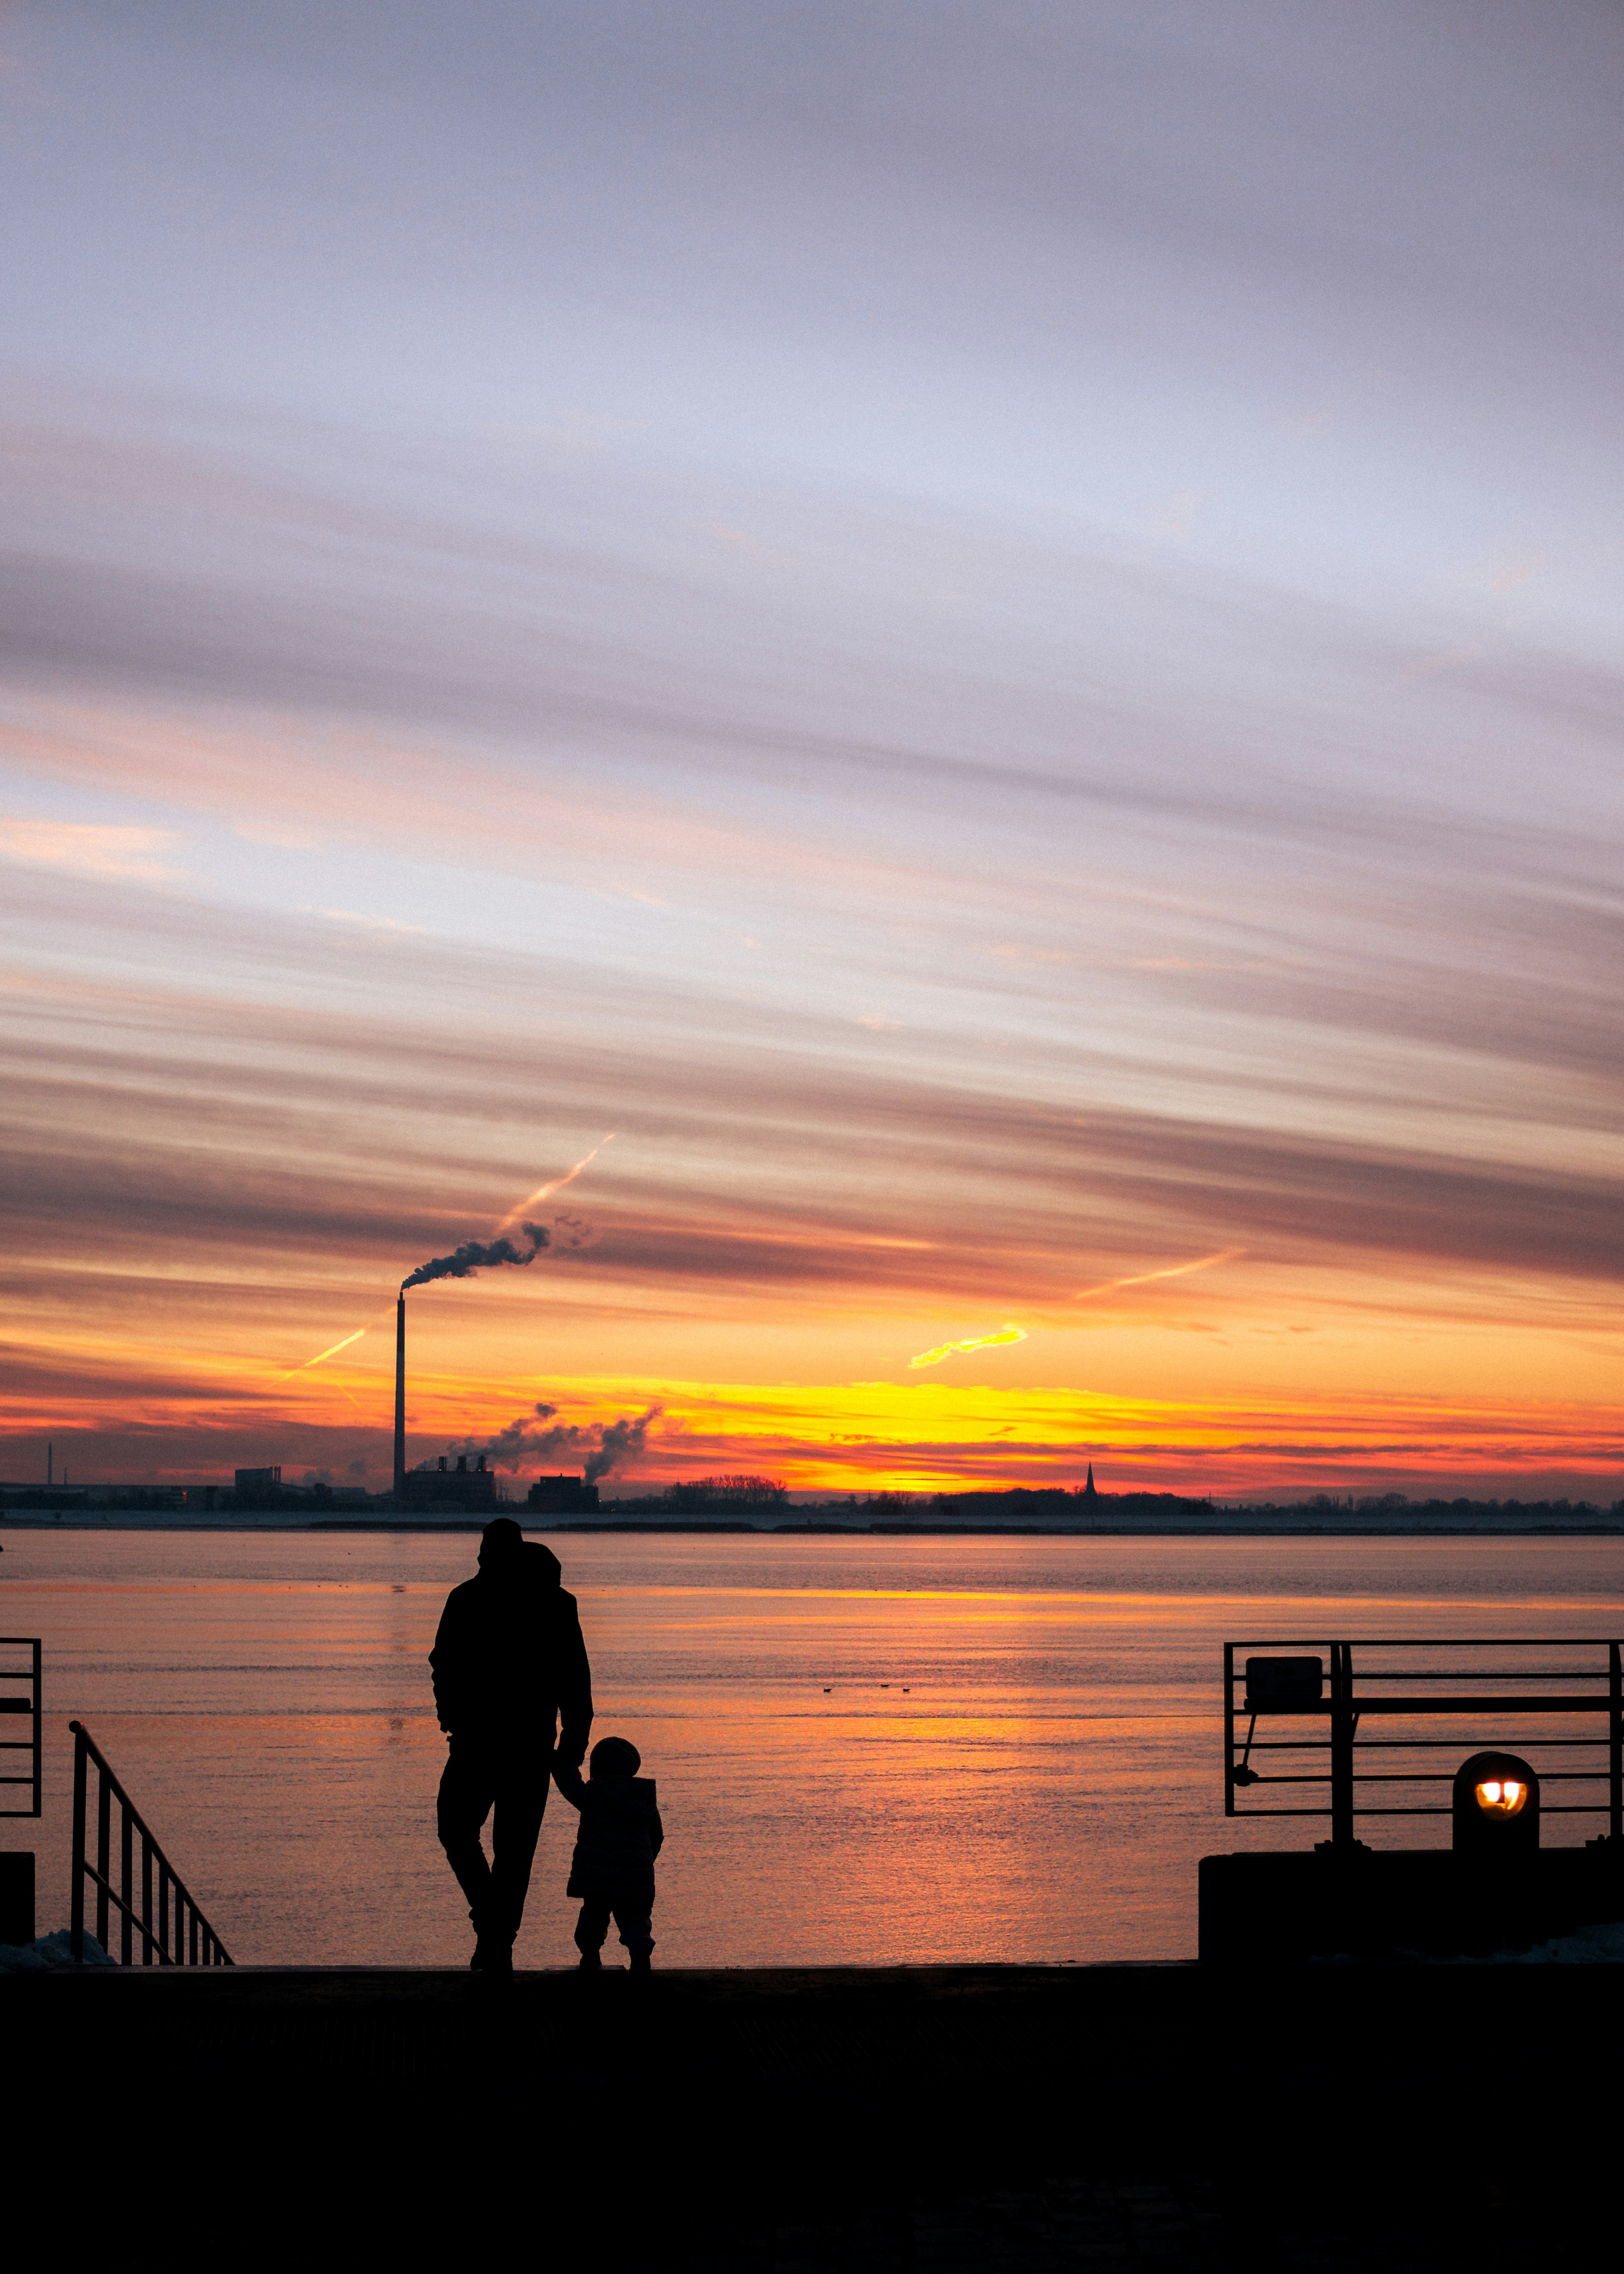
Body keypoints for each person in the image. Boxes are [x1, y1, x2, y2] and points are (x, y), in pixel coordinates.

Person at [429, 1517, 592, 1974]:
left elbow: (573, 1680)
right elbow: (575, 1683)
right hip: (512, 1742)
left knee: (469, 1835)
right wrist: (571, 1747)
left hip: (491, 1741)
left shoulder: (478, 1599)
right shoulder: (545, 1603)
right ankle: (496, 1930)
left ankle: (495, 1936)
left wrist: (572, 1745)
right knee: (503, 1847)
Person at [552, 1735, 663, 1973]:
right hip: (635, 1879)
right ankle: (641, 1958)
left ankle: (590, 1956)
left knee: (593, 1918)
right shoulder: (644, 1798)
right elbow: (657, 1836)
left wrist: (562, 1763)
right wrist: (642, 1863)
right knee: (636, 1920)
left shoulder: (595, 1792)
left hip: (598, 1877)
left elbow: (572, 1787)